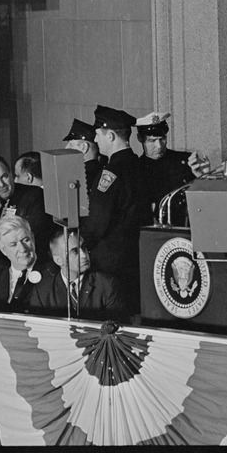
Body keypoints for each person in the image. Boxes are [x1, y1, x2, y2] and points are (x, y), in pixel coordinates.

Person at [86, 105, 146, 310]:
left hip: (110, 264)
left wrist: (80, 243)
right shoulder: (141, 166)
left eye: (97, 135)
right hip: (138, 259)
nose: (95, 141)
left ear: (110, 136)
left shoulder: (110, 173)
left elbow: (97, 222)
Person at [28, 230, 126, 321]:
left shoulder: (107, 285)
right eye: (75, 251)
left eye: (84, 247)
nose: (84, 255)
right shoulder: (42, 291)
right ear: (58, 260)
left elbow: (114, 330)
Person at [0, 154, 53, 261]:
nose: (1, 184)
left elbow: (34, 238)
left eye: (4, 176)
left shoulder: (34, 196)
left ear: (11, 174)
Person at [135, 111, 195, 223]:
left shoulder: (184, 161)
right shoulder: (136, 168)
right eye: (152, 141)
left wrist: (202, 175)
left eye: (162, 139)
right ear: (140, 138)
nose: (159, 146)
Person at [0, 216, 43, 312]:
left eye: (26, 240)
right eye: (13, 244)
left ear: (33, 239)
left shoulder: (54, 276)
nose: (22, 249)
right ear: (2, 249)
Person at [63, 118, 104, 195]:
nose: (66, 147)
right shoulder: (101, 170)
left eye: (71, 144)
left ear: (84, 148)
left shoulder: (84, 175)